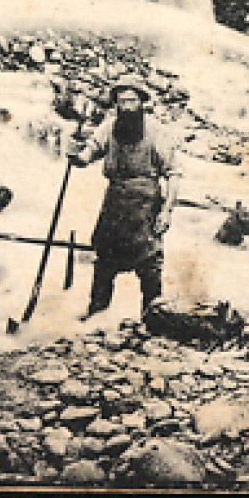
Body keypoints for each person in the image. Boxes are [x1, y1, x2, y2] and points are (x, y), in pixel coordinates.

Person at [71, 75, 179, 317]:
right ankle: (96, 317)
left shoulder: (156, 132)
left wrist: (167, 211)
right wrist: (78, 156)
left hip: (146, 201)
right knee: (104, 261)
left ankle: (153, 318)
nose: (127, 107)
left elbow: (173, 173)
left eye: (132, 101)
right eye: (122, 102)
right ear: (116, 104)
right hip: (115, 201)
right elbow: (91, 150)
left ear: (141, 102)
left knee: (149, 263)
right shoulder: (110, 127)